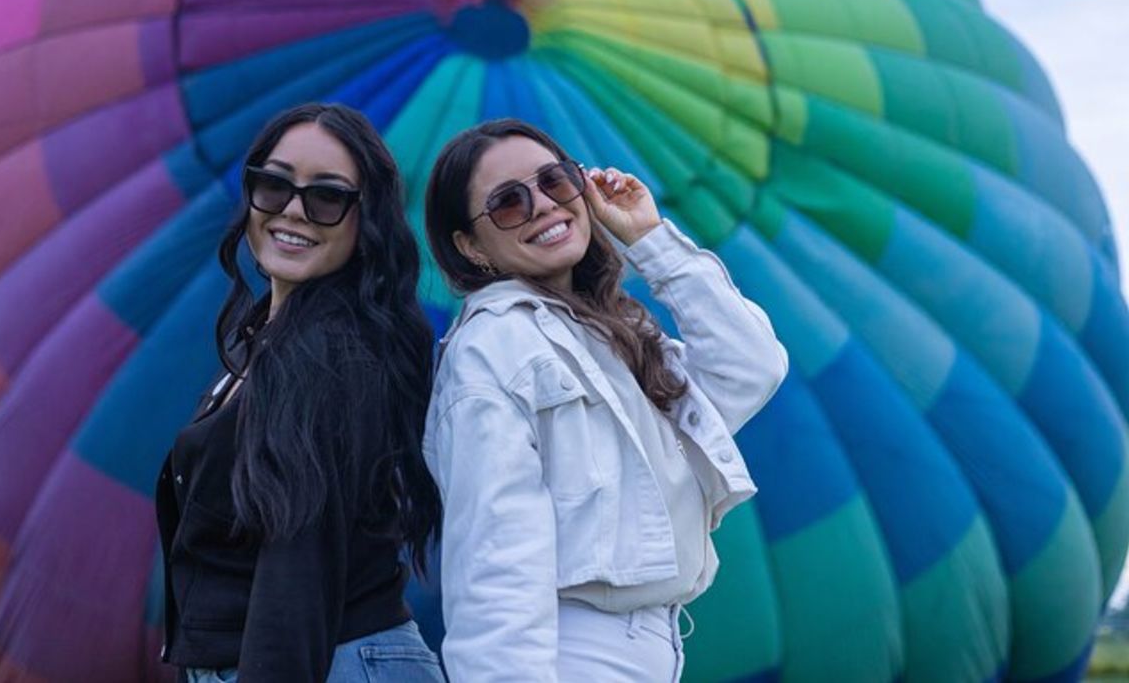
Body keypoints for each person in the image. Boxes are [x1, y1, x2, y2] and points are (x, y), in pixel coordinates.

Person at [422, 119, 788, 682]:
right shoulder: (495, 345)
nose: (542, 205)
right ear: (471, 247)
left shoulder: (610, 334)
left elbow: (750, 366)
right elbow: (494, 562)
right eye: (508, 203)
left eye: (555, 181)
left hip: (650, 646)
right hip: (572, 652)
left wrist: (648, 238)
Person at [155, 102, 445, 682]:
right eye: (275, 185)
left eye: (327, 197)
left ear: (367, 223)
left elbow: (298, 566)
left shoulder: (331, 356)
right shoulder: (273, 342)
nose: (293, 210)